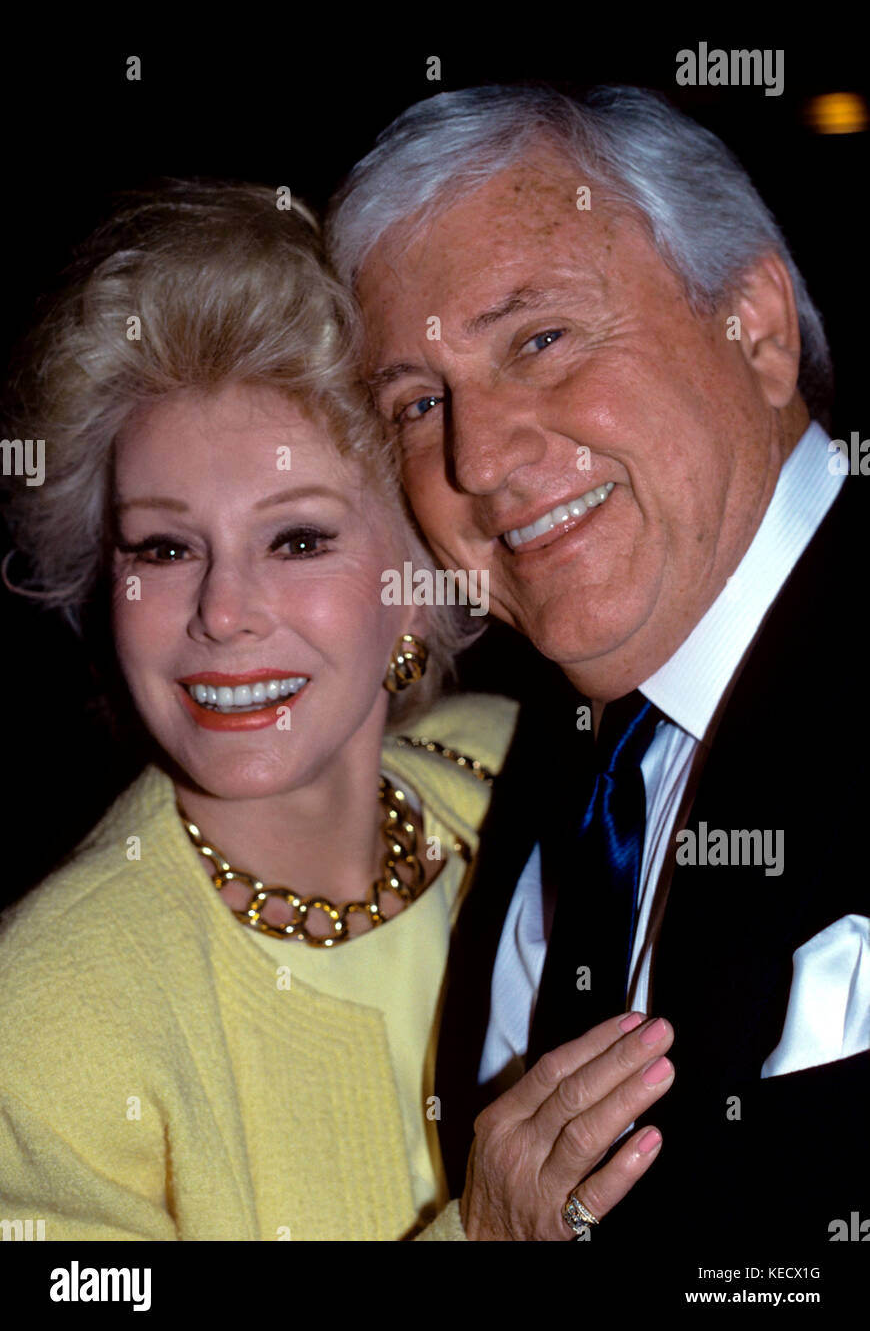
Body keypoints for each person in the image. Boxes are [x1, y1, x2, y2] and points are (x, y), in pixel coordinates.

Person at [0, 179, 675, 1242]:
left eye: (299, 539)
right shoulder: (48, 1006)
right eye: (164, 547)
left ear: (415, 573)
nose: (223, 613)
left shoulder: (549, 775)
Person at [326, 84, 870, 1249]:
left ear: (758, 328)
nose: (479, 458)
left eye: (540, 339)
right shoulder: (569, 757)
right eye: (420, 403)